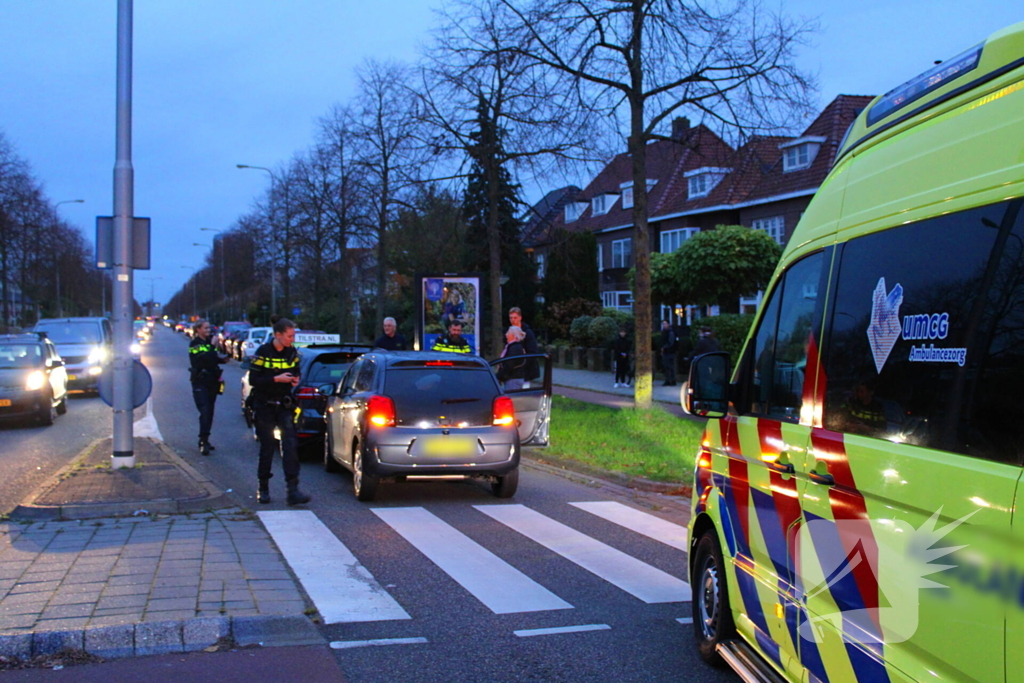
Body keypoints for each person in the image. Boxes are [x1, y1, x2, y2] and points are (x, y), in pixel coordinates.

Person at [249, 318, 311, 506]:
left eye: (293, 336)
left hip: (284, 406)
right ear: (278, 335)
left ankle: (293, 490)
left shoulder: (292, 352)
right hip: (265, 405)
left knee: (290, 446)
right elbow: (253, 380)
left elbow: (296, 371)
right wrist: (276, 379)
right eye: (289, 336)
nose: (293, 339)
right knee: (267, 447)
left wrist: (294, 380)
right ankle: (263, 488)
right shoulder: (263, 352)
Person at [188, 319, 230, 456]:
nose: (208, 330)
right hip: (200, 381)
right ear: (198, 329)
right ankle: (202, 440)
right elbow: (202, 359)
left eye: (209, 328)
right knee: (205, 409)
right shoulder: (195, 344)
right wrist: (212, 346)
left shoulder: (209, 342)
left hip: (212, 380)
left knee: (210, 411)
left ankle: (205, 438)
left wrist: (222, 359)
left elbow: (212, 358)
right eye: (205, 328)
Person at [508, 307, 539, 383]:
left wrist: (522, 365)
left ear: (520, 318)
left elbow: (532, 352)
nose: (513, 320)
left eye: (515, 318)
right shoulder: (510, 331)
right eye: (511, 318)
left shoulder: (527, 333)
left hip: (525, 370)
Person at [496, 326, 527, 391]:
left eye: (508, 333)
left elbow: (509, 365)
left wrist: (499, 376)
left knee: (511, 396)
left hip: (513, 379)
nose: (506, 335)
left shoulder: (515, 348)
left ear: (514, 336)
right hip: (512, 378)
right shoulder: (513, 347)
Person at [660, 320, 678, 386]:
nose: (664, 325)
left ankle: (672, 380)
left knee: (670, 366)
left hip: (670, 352)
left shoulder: (670, 332)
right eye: (663, 324)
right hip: (667, 351)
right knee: (667, 366)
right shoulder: (665, 332)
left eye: (665, 324)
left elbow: (671, 342)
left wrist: (664, 347)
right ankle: (669, 380)